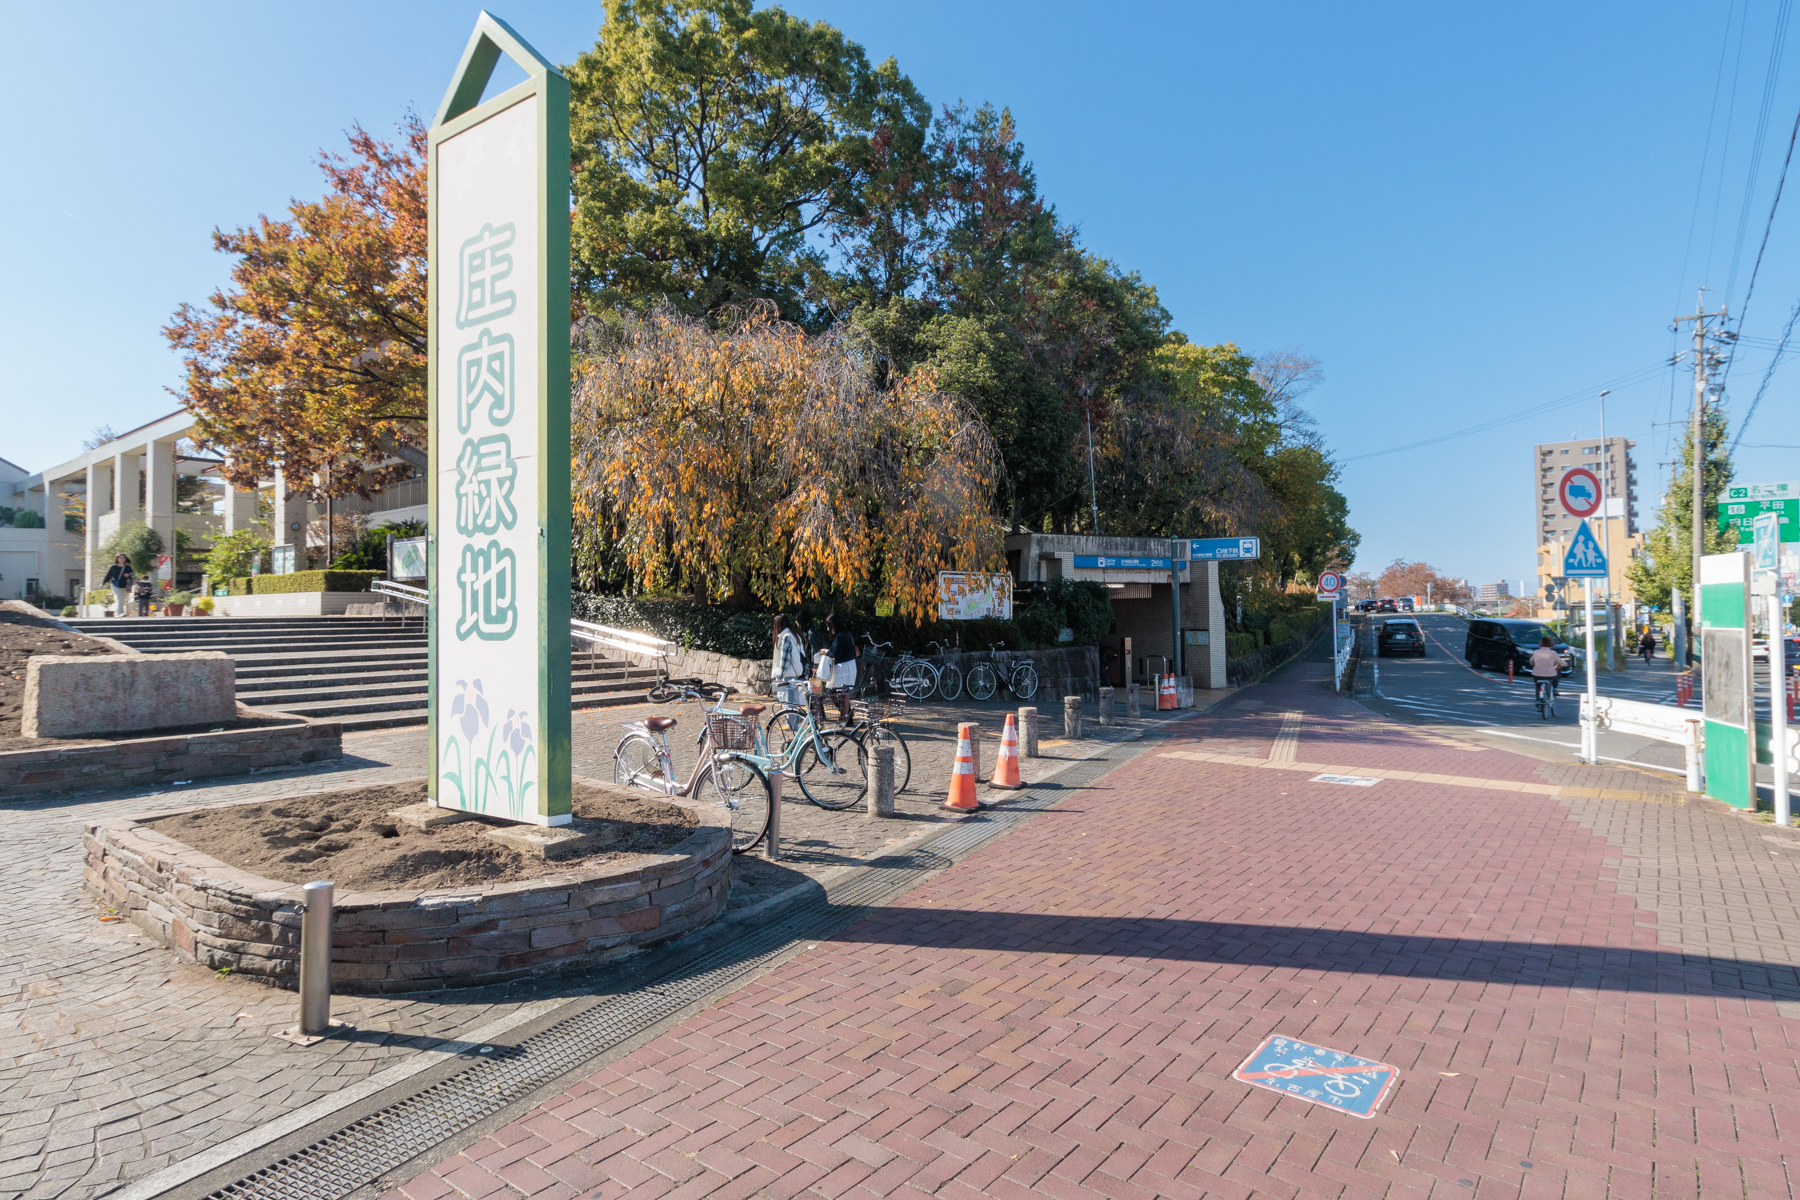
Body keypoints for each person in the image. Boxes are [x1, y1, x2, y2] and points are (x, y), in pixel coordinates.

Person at [823, 614, 857, 721]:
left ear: (833, 626)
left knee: (833, 692)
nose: (828, 629)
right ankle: (847, 716)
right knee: (844, 694)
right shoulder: (847, 634)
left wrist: (826, 651)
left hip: (842, 668)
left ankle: (845, 715)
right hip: (850, 665)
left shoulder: (839, 637)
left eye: (829, 627)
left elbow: (836, 655)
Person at [770, 614, 807, 706]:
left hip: (788, 676)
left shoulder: (786, 637)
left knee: (789, 705)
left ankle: (791, 721)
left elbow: (784, 661)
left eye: (775, 625)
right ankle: (797, 720)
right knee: (795, 703)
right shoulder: (795, 635)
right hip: (796, 673)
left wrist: (778, 677)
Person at [1529, 634, 1563, 713]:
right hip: (1550, 675)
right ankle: (1555, 688)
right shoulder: (1553, 653)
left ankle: (1539, 702)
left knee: (1538, 687)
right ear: (1550, 645)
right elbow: (1561, 662)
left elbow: (1531, 661)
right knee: (1556, 676)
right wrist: (1564, 664)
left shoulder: (1536, 652)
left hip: (1537, 675)